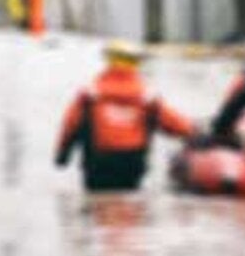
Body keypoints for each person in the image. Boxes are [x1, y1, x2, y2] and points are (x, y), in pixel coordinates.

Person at [55, 40, 199, 191]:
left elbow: (71, 125)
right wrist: (196, 133)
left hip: (97, 165)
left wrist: (62, 156)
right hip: (133, 164)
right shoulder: (147, 97)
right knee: (131, 205)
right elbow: (172, 123)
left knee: (95, 206)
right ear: (136, 64)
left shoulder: (90, 94)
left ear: (109, 61)